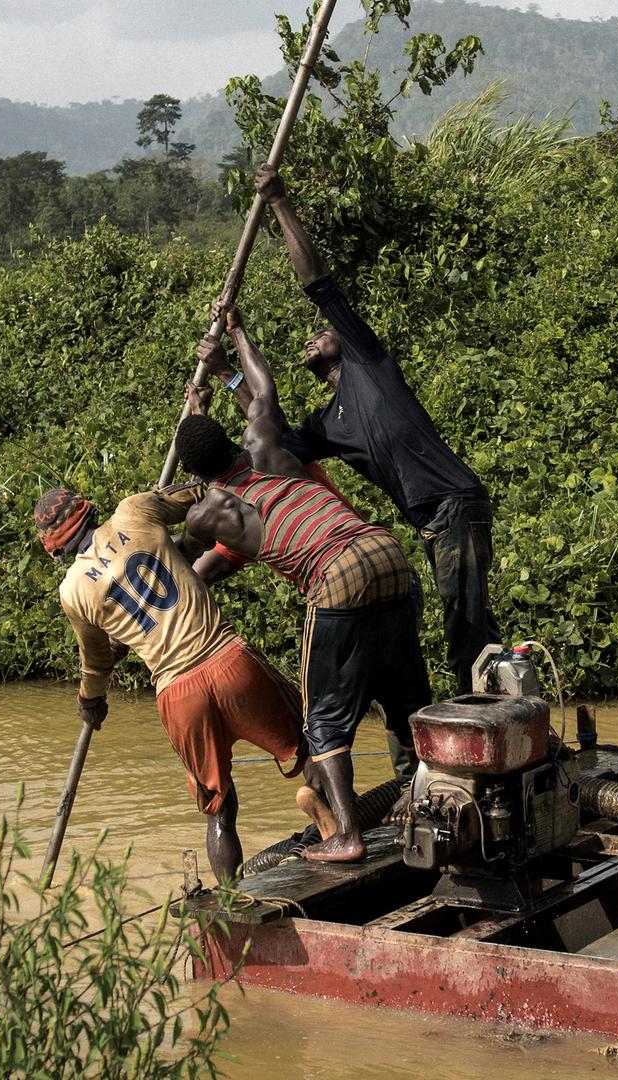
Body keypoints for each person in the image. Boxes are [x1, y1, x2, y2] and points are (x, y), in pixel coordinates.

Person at [173, 302, 432, 864]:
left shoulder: (208, 514)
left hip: (336, 572)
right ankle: (427, 797)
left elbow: (176, 551)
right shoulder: (268, 443)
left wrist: (187, 432)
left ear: (197, 476)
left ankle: (346, 833)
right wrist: (239, 334)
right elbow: (261, 388)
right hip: (385, 551)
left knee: (322, 717)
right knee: (406, 695)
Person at [254, 166, 502, 696]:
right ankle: (503, 708)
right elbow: (266, 438)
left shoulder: (367, 360)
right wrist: (232, 364)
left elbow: (316, 282)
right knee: (476, 629)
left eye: (321, 333)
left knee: (464, 631)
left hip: (454, 505)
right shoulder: (327, 425)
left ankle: (478, 729)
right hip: (434, 523)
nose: (312, 338)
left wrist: (279, 203)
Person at [33, 483, 305, 883]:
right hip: (227, 660)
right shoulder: (133, 511)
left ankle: (231, 898)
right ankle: (345, 830)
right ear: (88, 511)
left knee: (220, 808)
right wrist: (182, 540)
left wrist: (90, 701)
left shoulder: (73, 590)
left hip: (177, 694)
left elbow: (96, 663)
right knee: (315, 747)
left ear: (56, 549)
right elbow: (200, 495)